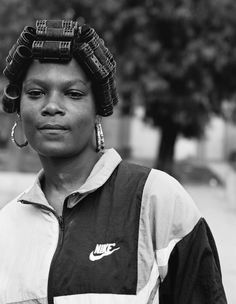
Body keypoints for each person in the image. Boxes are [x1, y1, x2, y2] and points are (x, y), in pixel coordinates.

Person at [0, 19, 227, 304]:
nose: (52, 107)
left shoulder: (157, 200)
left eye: (73, 94)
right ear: (18, 108)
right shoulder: (7, 226)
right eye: (35, 93)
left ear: (98, 109)